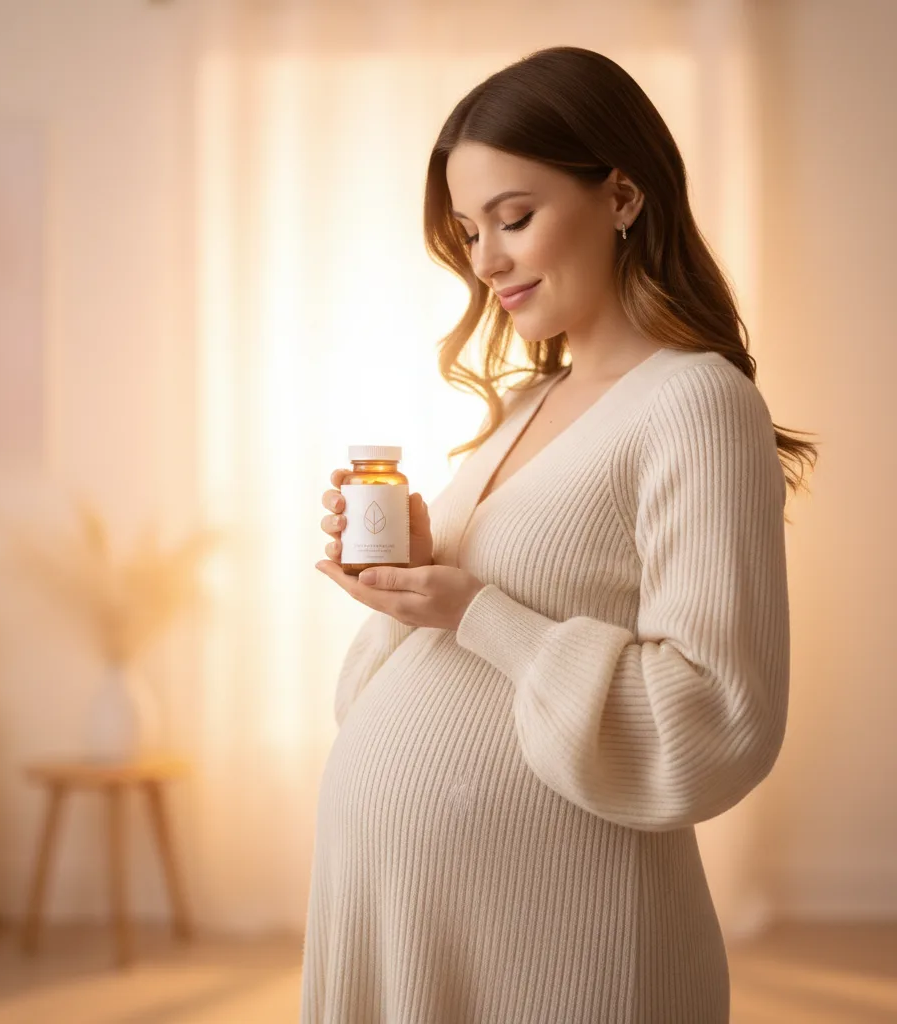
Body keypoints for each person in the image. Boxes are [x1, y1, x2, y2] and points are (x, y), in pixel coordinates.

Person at [304, 45, 817, 1023]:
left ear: (621, 196)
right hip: (413, 915)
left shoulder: (696, 404)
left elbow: (715, 714)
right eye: (466, 230)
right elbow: (458, 647)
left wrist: (474, 606)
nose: (485, 259)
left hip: (550, 936)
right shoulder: (526, 404)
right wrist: (420, 571)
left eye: (513, 217)